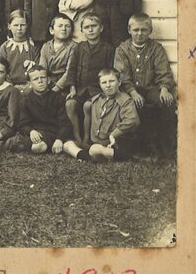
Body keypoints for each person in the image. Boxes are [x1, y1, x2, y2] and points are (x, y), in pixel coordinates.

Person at [113, 13, 177, 155]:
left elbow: (163, 71)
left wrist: (164, 89)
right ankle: (139, 147)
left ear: (150, 31)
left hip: (150, 88)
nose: (140, 34)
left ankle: (166, 146)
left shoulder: (156, 48)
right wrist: (133, 92)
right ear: (129, 30)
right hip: (129, 90)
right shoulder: (122, 50)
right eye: (136, 30)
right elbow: (122, 75)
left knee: (167, 102)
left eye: (144, 30)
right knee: (133, 104)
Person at [65, 68, 140, 162]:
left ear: (119, 82)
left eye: (112, 81)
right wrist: (86, 140)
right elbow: (88, 115)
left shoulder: (125, 100)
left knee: (95, 149)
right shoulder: (96, 99)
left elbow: (132, 120)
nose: (108, 85)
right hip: (95, 143)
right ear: (100, 85)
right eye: (104, 82)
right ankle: (87, 157)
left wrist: (113, 135)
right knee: (67, 144)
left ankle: (119, 156)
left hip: (113, 143)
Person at [62, 12, 116, 145]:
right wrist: (72, 88)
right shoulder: (79, 47)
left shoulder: (108, 49)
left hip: (98, 91)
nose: (90, 30)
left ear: (101, 28)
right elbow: (72, 69)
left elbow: (112, 71)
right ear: (82, 30)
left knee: (88, 106)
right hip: (80, 89)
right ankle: (77, 137)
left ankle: (87, 138)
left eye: (94, 26)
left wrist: (106, 90)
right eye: (87, 27)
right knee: (70, 104)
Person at [3, 66, 73, 154]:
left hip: (52, 133)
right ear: (30, 83)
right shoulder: (26, 100)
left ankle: (24, 144)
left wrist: (59, 139)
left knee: (38, 147)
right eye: (36, 79)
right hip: (35, 133)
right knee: (12, 142)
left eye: (43, 78)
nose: (40, 81)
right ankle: (18, 143)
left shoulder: (57, 98)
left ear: (48, 80)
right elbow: (23, 123)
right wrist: (31, 131)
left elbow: (65, 124)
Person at [0, 9, 38, 89]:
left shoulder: (33, 46)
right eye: (16, 25)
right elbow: (2, 69)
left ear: (27, 26)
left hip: (30, 86)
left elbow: (37, 68)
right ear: (9, 26)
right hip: (9, 86)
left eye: (22, 25)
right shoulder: (5, 47)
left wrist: (30, 84)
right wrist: (11, 86)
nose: (19, 28)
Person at [39, 14, 76, 90]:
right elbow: (42, 68)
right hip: (47, 84)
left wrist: (56, 88)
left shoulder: (73, 46)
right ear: (51, 30)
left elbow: (69, 72)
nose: (64, 29)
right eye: (60, 26)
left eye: (67, 26)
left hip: (64, 86)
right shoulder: (46, 46)